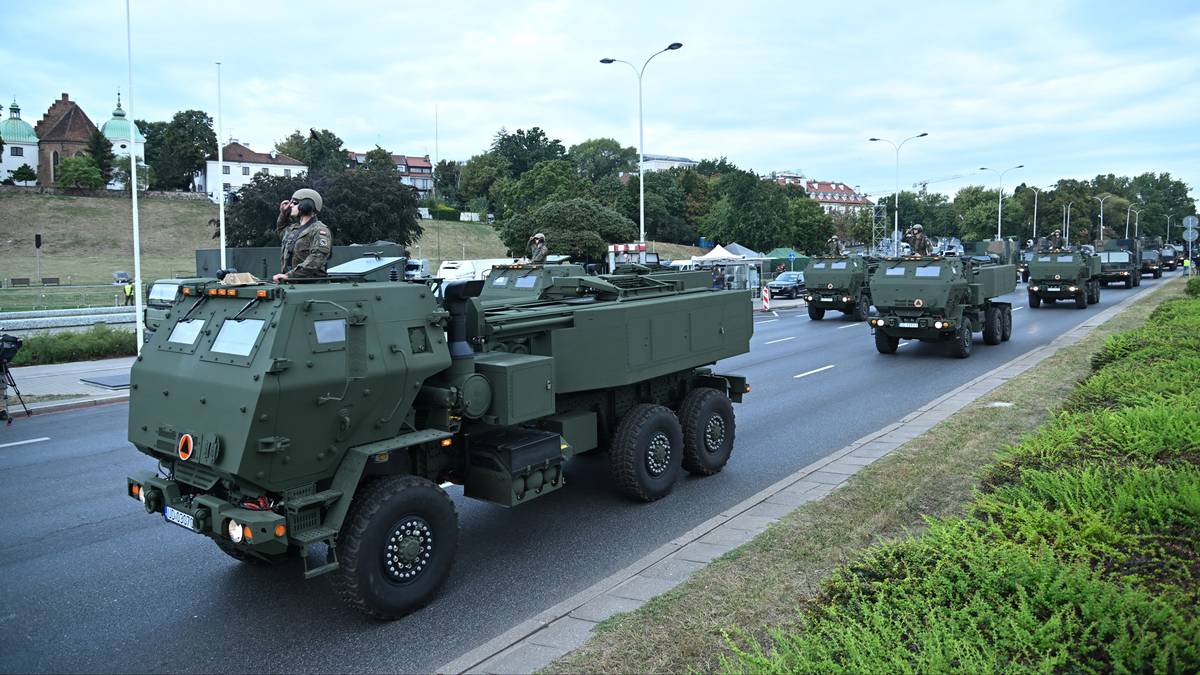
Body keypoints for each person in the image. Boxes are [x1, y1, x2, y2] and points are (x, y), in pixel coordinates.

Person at [273, 188, 333, 282]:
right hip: (292, 283)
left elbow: (316, 259)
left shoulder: (319, 230)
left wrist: (289, 275)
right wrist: (284, 214)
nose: (291, 205)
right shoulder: (293, 229)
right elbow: (281, 229)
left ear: (306, 205)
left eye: (295, 203)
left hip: (312, 285)